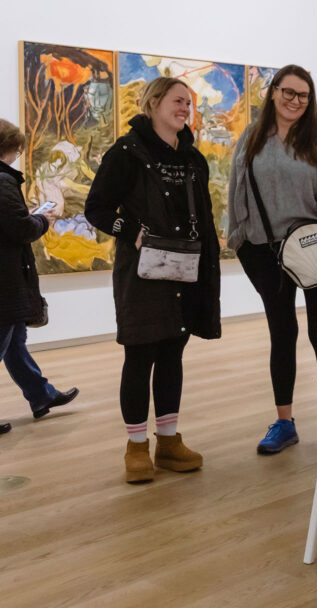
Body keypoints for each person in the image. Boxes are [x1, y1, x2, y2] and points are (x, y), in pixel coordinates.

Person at [85, 78, 221, 483]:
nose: (186, 108)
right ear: (154, 102)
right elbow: (97, 208)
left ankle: (168, 441)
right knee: (140, 354)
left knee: (172, 354)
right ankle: (136, 446)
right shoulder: (127, 153)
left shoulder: (193, 158)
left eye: (190, 103)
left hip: (186, 270)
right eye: (179, 101)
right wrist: (134, 232)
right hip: (144, 274)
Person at [227, 64, 317, 457]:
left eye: (303, 95)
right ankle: (284, 422)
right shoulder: (253, 135)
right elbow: (237, 188)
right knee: (281, 333)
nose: (295, 101)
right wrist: (238, 237)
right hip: (264, 250)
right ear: (273, 92)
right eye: (288, 92)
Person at [0, 119, 79, 433]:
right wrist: (43, 219)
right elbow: (20, 229)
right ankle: (41, 395)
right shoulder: (3, 181)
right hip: (5, 278)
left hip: (7, 277)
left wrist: (28, 215)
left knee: (15, 341)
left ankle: (41, 396)